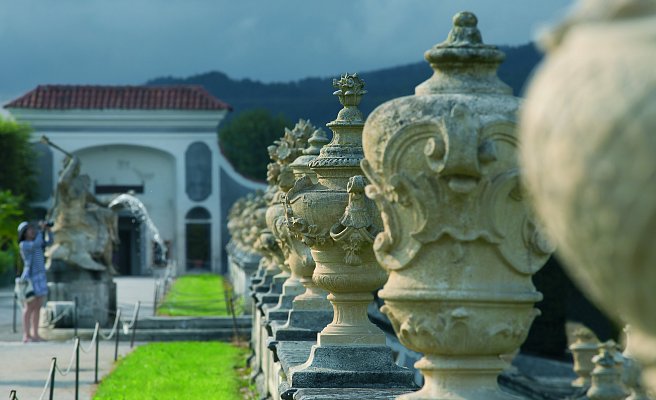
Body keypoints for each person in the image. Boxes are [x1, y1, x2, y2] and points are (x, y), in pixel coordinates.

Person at [17, 221, 53, 343]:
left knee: (38, 306)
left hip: (40, 277)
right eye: (29, 230)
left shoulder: (36, 241)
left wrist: (48, 231)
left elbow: (49, 243)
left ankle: (35, 334)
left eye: (33, 229)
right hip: (30, 279)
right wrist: (41, 230)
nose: (32, 231)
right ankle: (26, 335)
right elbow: (37, 243)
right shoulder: (24, 245)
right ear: (23, 233)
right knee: (29, 307)